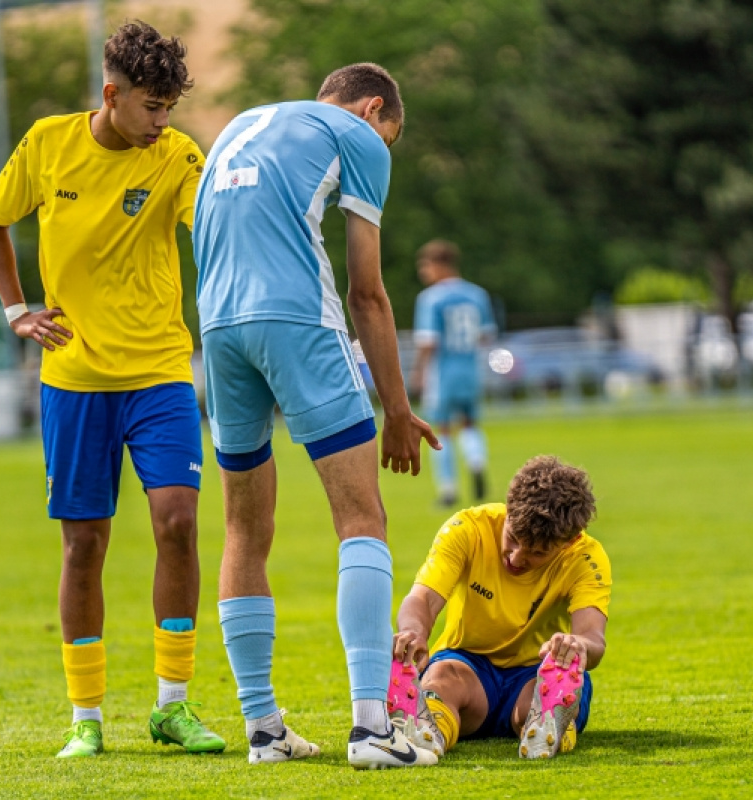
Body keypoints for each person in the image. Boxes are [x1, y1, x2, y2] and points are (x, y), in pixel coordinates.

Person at [0, 21, 225, 759]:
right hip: (75, 382)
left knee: (178, 522)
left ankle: (172, 706)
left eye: (171, 108)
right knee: (84, 545)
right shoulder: (49, 143)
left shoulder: (179, 156)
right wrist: (18, 311)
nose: (163, 123)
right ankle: (85, 717)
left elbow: (213, 227)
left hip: (159, 373)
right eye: (152, 107)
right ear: (112, 95)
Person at [193, 63, 440, 770]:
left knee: (244, 526)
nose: (381, 154)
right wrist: (396, 408)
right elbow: (367, 293)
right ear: (372, 110)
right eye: (387, 140)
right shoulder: (356, 136)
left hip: (217, 332)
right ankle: (372, 728)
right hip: (297, 323)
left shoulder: (236, 127)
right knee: (362, 518)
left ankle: (263, 730)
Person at [389, 455, 611, 760]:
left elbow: (593, 637)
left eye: (537, 552)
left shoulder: (586, 558)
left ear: (568, 542)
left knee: (547, 690)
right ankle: (427, 732)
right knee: (442, 679)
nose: (517, 557)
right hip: (468, 664)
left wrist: (577, 645)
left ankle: (548, 725)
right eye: (513, 538)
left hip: (538, 669)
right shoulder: (467, 528)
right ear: (508, 509)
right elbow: (423, 598)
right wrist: (413, 632)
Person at [410, 239, 497, 507]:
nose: (424, 273)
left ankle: (448, 491)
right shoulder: (478, 295)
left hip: (443, 371)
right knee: (470, 424)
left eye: (425, 266)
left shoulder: (431, 298)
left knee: (441, 430)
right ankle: (476, 461)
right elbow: (486, 336)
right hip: (471, 369)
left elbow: (428, 342)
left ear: (438, 264)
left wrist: (418, 372)